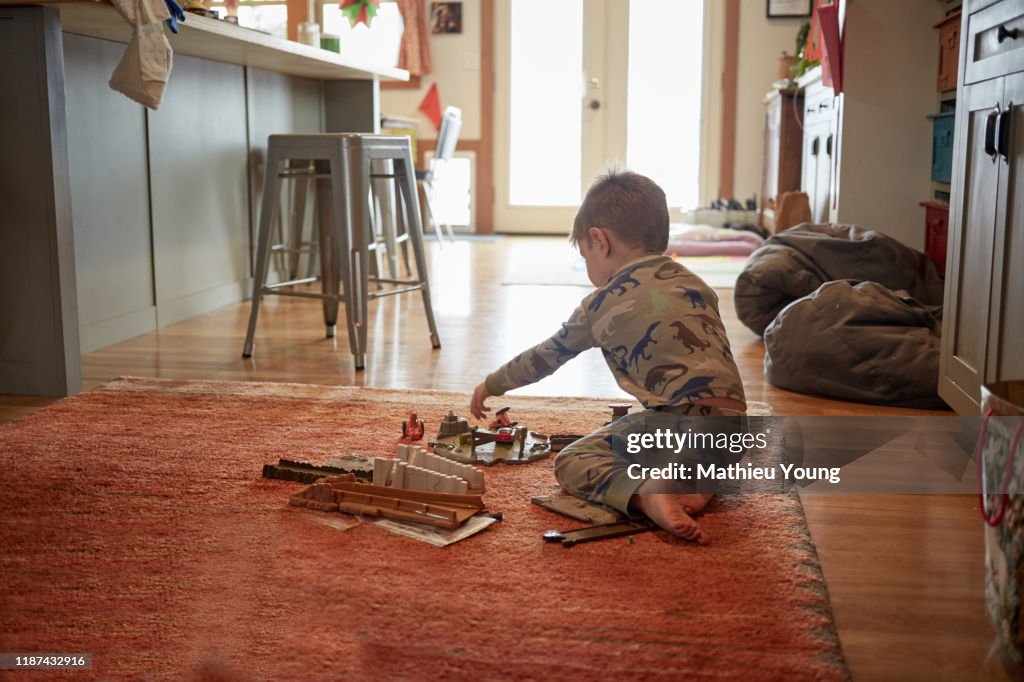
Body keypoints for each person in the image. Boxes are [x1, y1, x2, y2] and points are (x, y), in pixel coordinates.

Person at [470, 169, 746, 544]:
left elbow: (544, 358)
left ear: (599, 241)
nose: (588, 268)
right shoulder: (697, 285)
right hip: (732, 433)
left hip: (680, 427)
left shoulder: (601, 304)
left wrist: (492, 383)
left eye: (584, 254)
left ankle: (646, 494)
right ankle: (695, 483)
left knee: (572, 459)